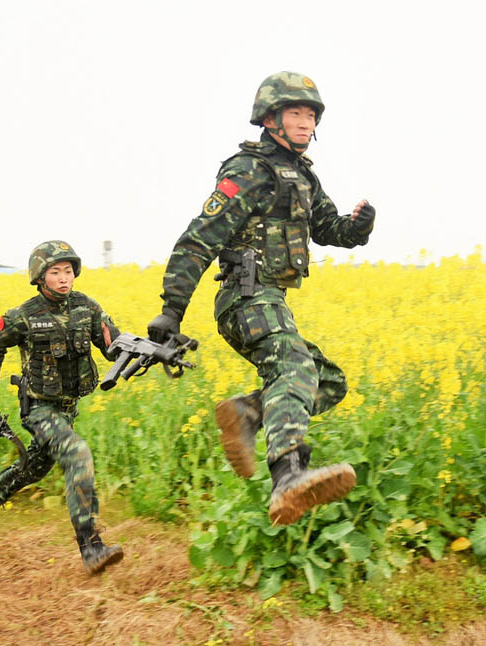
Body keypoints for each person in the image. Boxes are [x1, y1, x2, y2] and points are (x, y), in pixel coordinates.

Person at [147, 71, 377, 526]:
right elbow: (200, 237)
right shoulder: (249, 169)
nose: (305, 123)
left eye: (311, 115)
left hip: (270, 300)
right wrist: (172, 310)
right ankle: (289, 475)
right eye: (296, 113)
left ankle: (247, 412)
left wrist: (359, 227)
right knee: (293, 367)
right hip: (245, 297)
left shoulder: (302, 175)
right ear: (271, 117)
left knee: (327, 381)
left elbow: (329, 227)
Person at [0, 240, 124, 575]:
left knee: (35, 468)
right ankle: (91, 547)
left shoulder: (88, 308)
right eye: (56, 272)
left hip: (67, 408)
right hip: (39, 409)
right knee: (78, 455)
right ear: (40, 276)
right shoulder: (23, 316)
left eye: (68, 271)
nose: (64, 278)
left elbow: (113, 345)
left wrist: (143, 352)